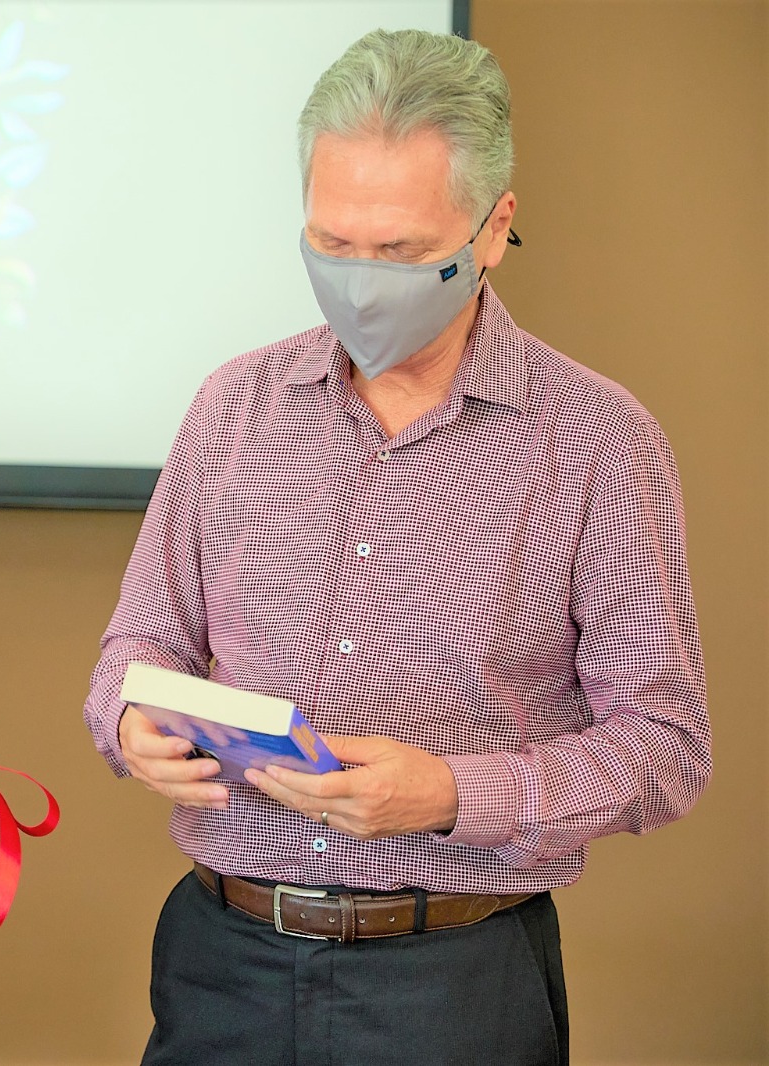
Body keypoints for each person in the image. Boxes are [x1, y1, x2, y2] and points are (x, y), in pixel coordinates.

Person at [82, 28, 710, 1066]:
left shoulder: (599, 440)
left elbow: (665, 744)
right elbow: (140, 644)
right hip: (219, 964)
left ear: (494, 227)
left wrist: (453, 794)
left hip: (455, 984)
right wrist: (127, 717)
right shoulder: (232, 408)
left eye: (402, 253)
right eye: (331, 245)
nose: (360, 284)